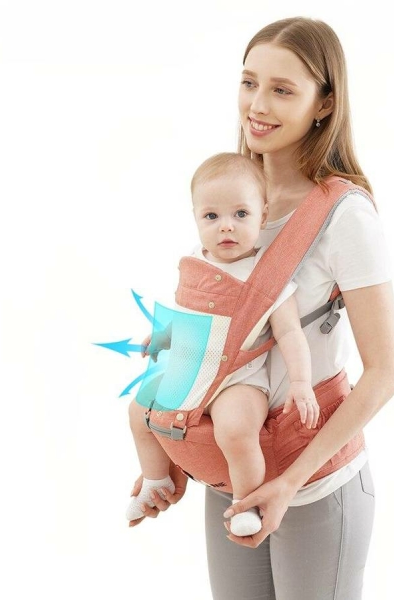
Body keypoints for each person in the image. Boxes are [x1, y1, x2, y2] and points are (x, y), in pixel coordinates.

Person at [129, 17, 394, 600]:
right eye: (249, 82)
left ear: (324, 104)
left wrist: (291, 482)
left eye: (282, 89)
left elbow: (387, 372)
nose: (257, 105)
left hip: (315, 481)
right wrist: (172, 455)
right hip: (235, 468)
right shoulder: (229, 197)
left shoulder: (345, 216)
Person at [127, 152, 320, 537]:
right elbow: (189, 310)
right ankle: (155, 480)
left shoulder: (268, 276)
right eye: (211, 216)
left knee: (235, 430)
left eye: (241, 214)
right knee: (139, 412)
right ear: (196, 218)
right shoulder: (196, 262)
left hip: (240, 378)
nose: (226, 227)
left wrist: (301, 383)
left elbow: (289, 333)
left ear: (263, 216)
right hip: (192, 366)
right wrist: (164, 333)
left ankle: (245, 502)